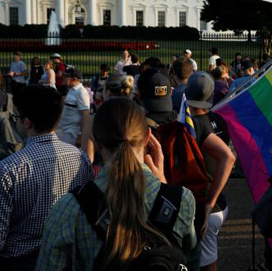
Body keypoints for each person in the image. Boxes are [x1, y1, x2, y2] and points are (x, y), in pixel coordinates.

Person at [36, 98, 197, 270]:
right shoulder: (182, 200)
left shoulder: (68, 210)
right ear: (147, 137)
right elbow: (189, 256)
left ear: (97, 143)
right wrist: (165, 188)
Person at [0, 85, 93, 270]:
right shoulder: (80, 158)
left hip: (20, 260)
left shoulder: (9, 169)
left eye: (16, 118)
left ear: (27, 123)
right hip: (68, 255)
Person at [184, 71, 235, 271]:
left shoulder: (190, 126)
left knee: (203, 265)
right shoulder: (219, 121)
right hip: (219, 201)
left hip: (204, 205)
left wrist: (208, 203)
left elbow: (228, 158)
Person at [56, 68, 91, 146]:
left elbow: (85, 115)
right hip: (64, 130)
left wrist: (80, 135)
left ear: (74, 79)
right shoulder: (71, 89)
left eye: (65, 77)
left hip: (72, 133)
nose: (63, 78)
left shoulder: (81, 92)